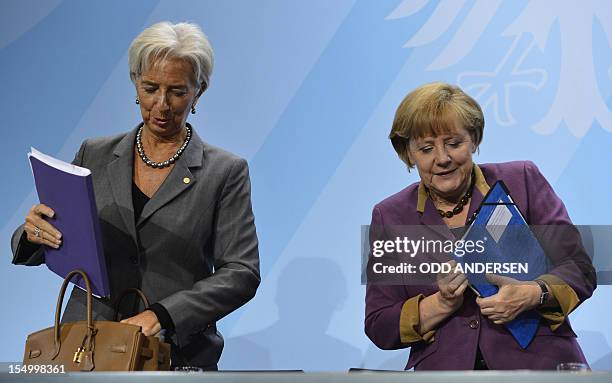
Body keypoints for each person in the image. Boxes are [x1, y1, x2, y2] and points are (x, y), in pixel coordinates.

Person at [11, 22, 260, 370]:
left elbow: (242, 272)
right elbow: (54, 232)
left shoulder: (225, 172)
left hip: (173, 354)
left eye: (176, 91)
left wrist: (164, 315)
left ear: (198, 92)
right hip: (86, 348)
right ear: (135, 84)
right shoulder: (94, 154)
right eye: (150, 88)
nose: (161, 105)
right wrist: (32, 233)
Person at [364, 82, 596, 370]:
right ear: (409, 153)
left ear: (473, 140)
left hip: (541, 365)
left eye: (454, 143)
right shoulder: (391, 216)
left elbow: (579, 267)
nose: (442, 158)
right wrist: (442, 303)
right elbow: (379, 324)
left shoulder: (521, 180)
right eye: (426, 149)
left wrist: (533, 294)